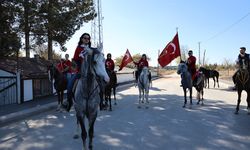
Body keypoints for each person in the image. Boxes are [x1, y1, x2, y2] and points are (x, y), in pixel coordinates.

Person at [65, 33, 91, 112]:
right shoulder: (78, 48)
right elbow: (75, 60)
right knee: (69, 86)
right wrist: (80, 67)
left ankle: (101, 102)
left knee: (101, 81)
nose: (86, 39)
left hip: (90, 70)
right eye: (85, 38)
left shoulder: (91, 48)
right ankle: (69, 102)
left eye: (88, 38)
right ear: (81, 39)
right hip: (80, 70)